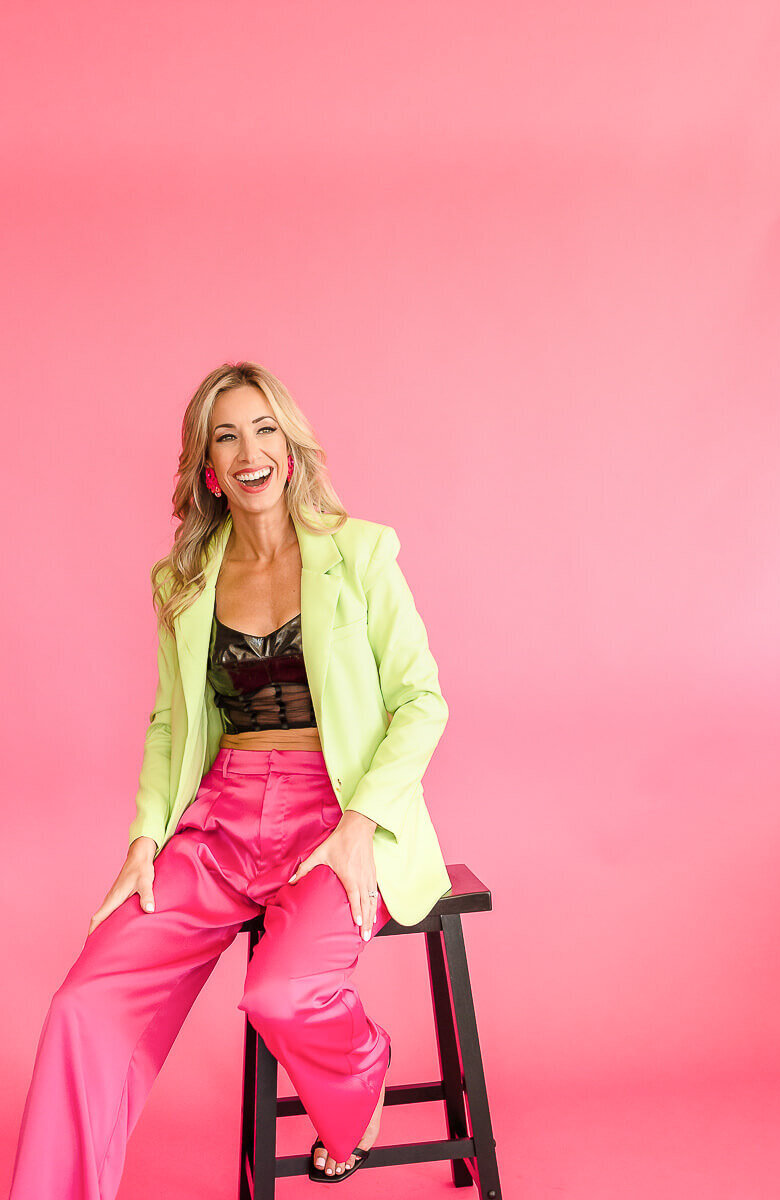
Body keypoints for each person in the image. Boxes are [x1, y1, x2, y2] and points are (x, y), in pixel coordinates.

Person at [9, 360, 452, 1196]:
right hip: (218, 820)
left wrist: (360, 825)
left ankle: (361, 1074)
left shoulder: (358, 553)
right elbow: (172, 723)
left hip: (334, 812)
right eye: (226, 435)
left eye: (264, 430)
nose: (249, 451)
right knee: (82, 1005)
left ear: (290, 447)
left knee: (282, 994)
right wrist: (145, 839)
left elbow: (422, 702)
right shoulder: (183, 581)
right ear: (207, 467)